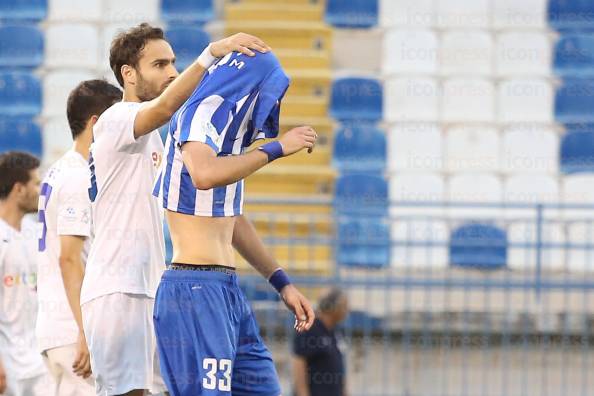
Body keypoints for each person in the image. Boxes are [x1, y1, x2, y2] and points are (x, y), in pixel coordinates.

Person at [78, 22, 271, 396]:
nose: (172, 72)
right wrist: (212, 53)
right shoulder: (117, 119)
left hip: (152, 287)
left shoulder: (157, 137)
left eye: (173, 63)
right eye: (160, 65)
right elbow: (166, 107)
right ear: (128, 74)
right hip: (117, 288)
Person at [152, 49, 317, 396]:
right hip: (195, 290)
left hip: (226, 290)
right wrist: (275, 149)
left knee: (263, 389)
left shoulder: (227, 139)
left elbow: (232, 219)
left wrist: (282, 282)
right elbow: (203, 174)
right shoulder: (199, 114)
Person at [36, 79, 123, 396]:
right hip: (73, 329)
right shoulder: (77, 177)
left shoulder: (60, 169)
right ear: (96, 123)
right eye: (117, 121)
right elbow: (69, 258)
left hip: (57, 326)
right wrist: (85, 331)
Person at [0, 151, 53, 395]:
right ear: (19, 189)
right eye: (36, 183)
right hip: (7, 366)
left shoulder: (36, 234)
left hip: (40, 363)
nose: (41, 190)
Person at [292, 288, 349, 396]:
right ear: (333, 307)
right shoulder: (309, 329)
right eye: (344, 307)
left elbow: (339, 368)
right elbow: (299, 365)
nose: (346, 311)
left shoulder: (336, 331)